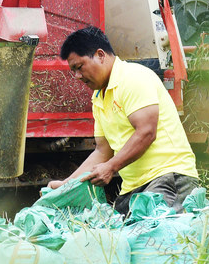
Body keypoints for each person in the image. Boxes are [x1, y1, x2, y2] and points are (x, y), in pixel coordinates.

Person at [48, 26, 199, 215]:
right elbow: (103, 151)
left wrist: (111, 167)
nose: (77, 76)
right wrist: (67, 185)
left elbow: (146, 132)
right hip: (134, 187)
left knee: (156, 239)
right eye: (73, 71)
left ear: (100, 55)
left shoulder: (133, 78)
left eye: (79, 67)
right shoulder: (99, 98)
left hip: (168, 177)